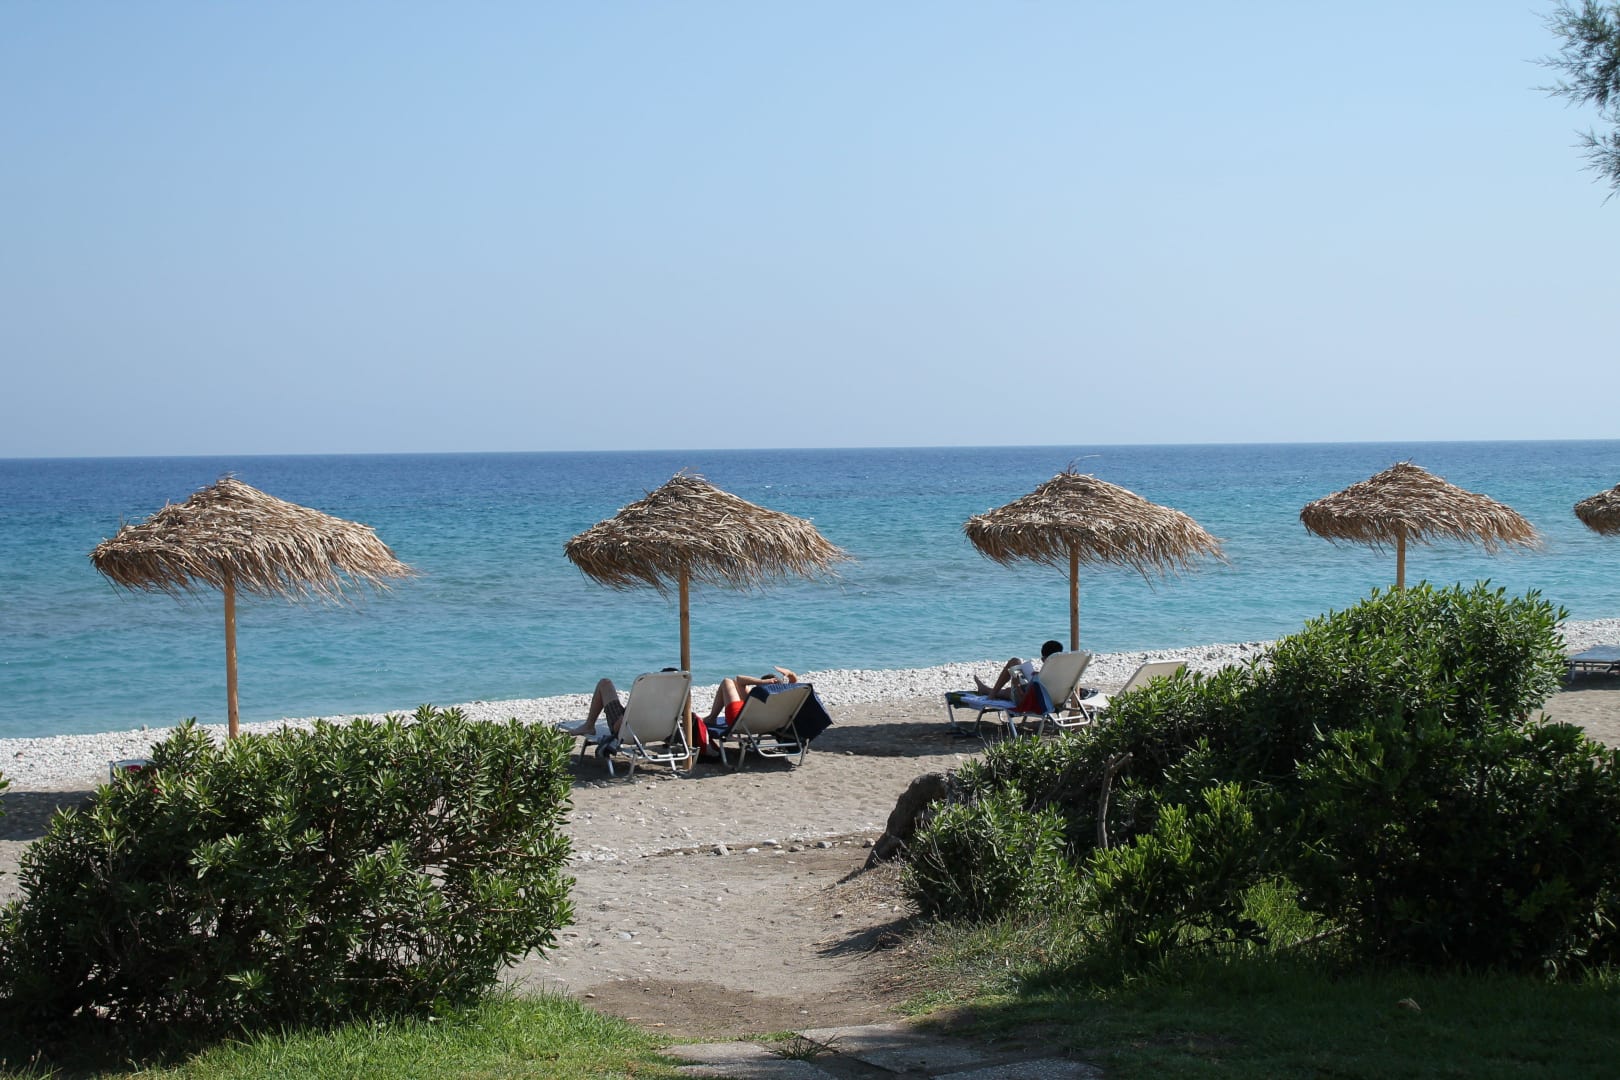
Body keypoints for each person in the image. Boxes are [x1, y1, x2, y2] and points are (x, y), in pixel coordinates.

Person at [702, 665, 799, 729]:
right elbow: (794, 682)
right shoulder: (784, 699)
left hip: (741, 722)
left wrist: (762, 682)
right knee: (735, 684)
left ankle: (712, 718)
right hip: (768, 724)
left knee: (727, 681)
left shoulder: (758, 696)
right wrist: (790, 673)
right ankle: (711, 717)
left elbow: (738, 679)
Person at [972, 640, 1064, 701]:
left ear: (1043, 659)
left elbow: (1024, 696)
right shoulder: (1064, 672)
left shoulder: (1046, 674)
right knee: (1008, 691)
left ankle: (991, 694)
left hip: (1030, 702)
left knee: (1014, 661)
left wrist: (1017, 685)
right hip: (1054, 701)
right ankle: (985, 690)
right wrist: (1039, 675)